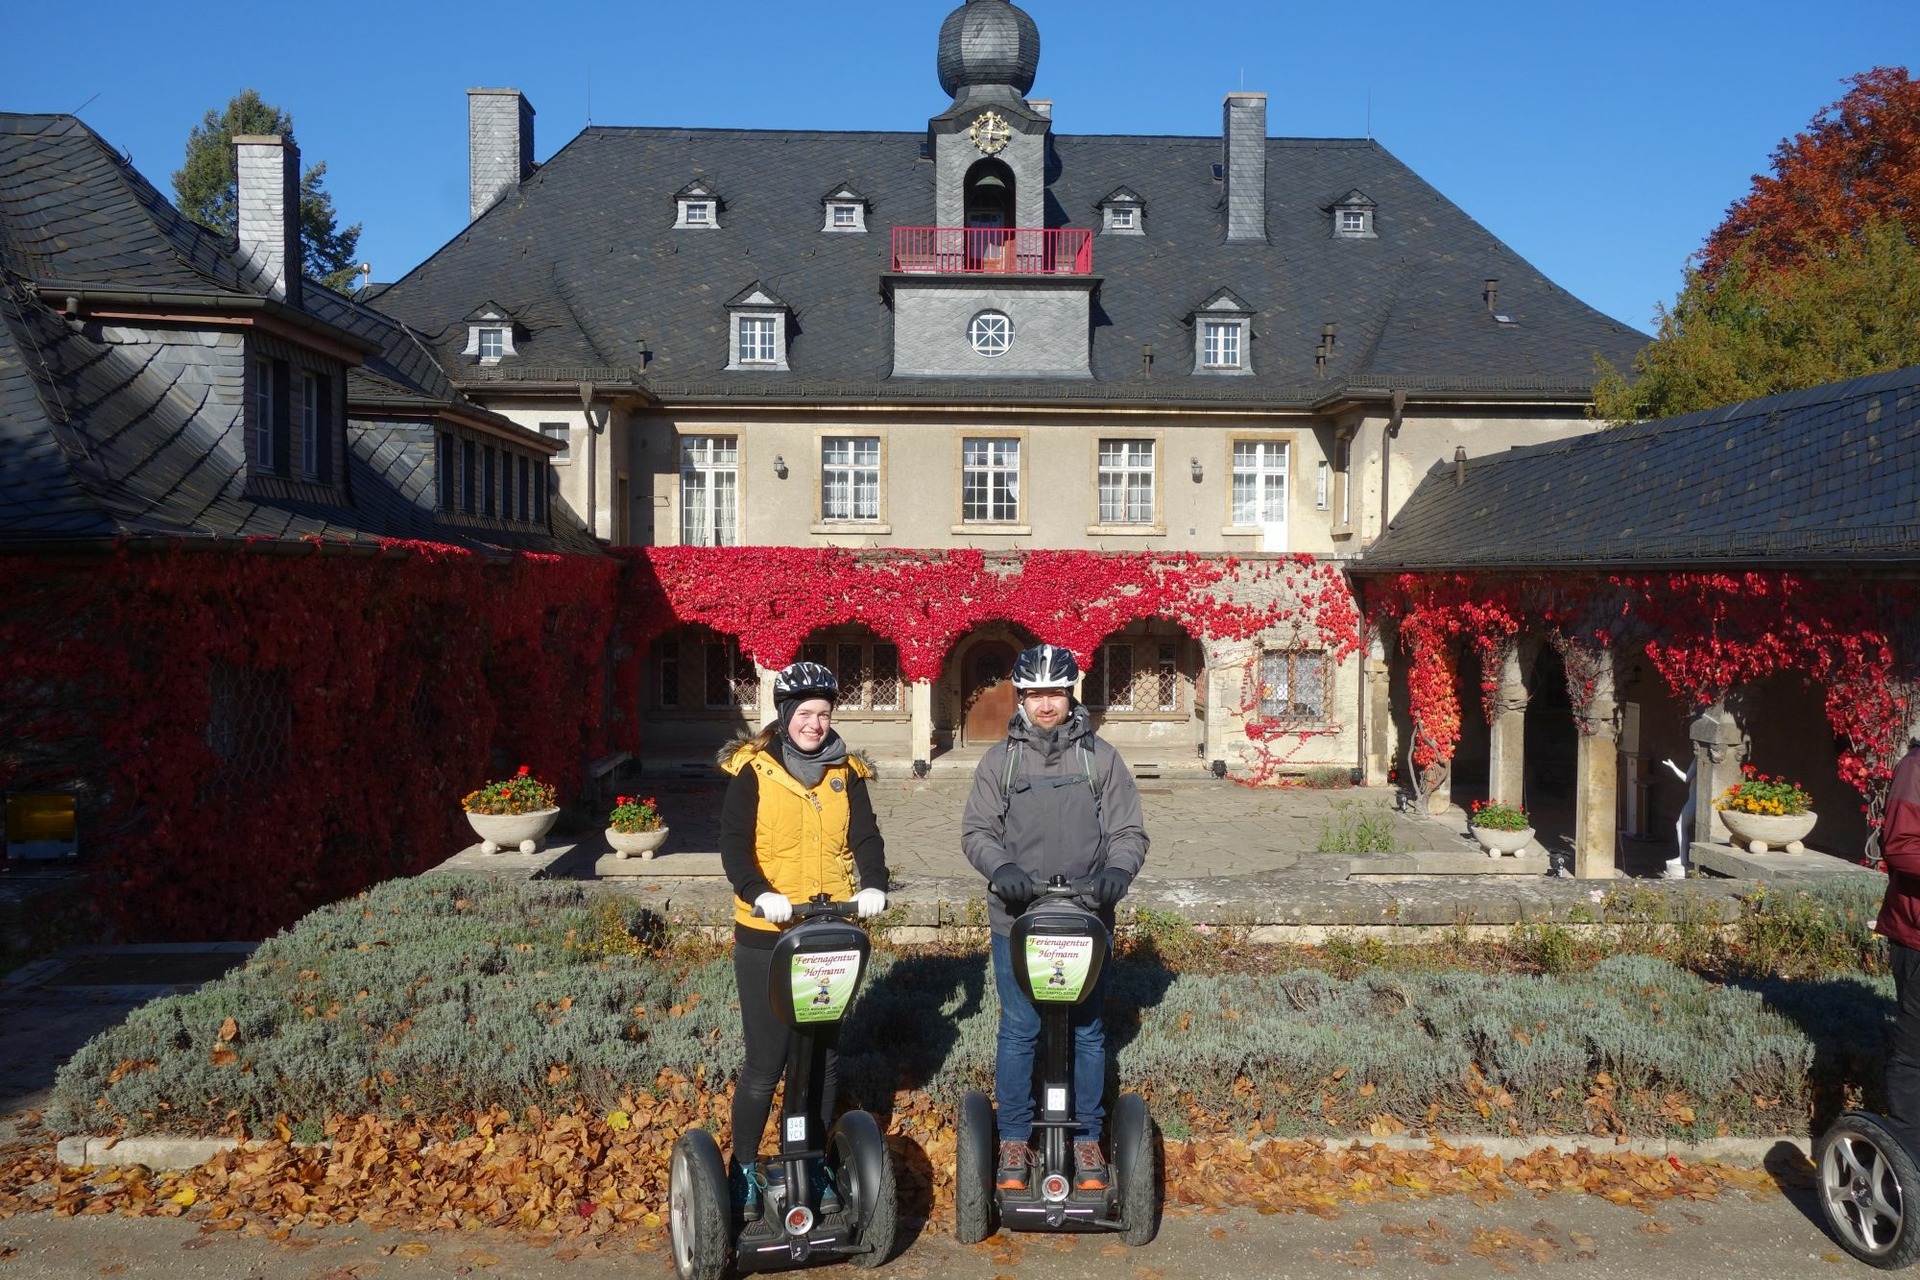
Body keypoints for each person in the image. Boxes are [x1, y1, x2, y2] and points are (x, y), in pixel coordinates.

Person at [960, 642, 1148, 1195]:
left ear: (1072, 695)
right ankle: (1016, 1135)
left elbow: (1128, 831)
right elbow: (977, 833)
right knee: (1020, 1027)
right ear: (1021, 697)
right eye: (1037, 693)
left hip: (1085, 916)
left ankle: (1087, 1132)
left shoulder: (1101, 758)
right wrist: (1003, 868)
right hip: (1018, 918)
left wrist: (1118, 871)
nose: (1047, 704)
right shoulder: (1001, 761)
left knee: (1087, 1030)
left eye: (1056, 694)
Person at [719, 660, 889, 1221]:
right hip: (768, 932)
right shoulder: (755, 772)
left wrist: (874, 885)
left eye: (824, 714)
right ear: (786, 716)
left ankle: (810, 1159)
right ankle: (743, 1169)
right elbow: (734, 847)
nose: (815, 724)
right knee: (767, 1062)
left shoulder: (847, 773)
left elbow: (865, 837)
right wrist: (757, 890)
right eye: (805, 714)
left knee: (823, 1059)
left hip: (829, 931)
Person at [1877, 736, 1920, 1144]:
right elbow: (1901, 848)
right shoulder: (1916, 768)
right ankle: (1911, 1164)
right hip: (1916, 937)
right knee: (1914, 1058)